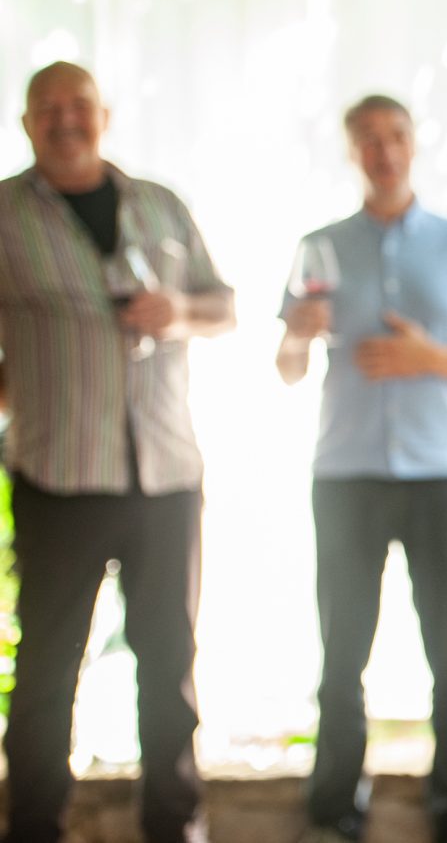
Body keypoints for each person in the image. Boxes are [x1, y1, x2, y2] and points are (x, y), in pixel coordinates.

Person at [0, 61, 236, 843]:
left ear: (103, 115)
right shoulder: (5, 214)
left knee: (169, 667)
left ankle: (176, 827)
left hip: (166, 478)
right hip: (58, 479)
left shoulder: (160, 204)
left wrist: (181, 312)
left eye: (79, 107)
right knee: (46, 674)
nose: (65, 121)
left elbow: (224, 306)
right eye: (47, 109)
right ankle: (34, 828)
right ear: (27, 125)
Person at [277, 95, 447, 843]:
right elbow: (286, 367)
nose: (383, 152)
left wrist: (433, 359)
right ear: (351, 153)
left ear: (414, 145)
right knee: (341, 650)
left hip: (441, 475)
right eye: (367, 141)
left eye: (395, 137)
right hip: (344, 475)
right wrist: (297, 336)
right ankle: (332, 812)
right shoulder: (318, 246)